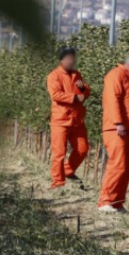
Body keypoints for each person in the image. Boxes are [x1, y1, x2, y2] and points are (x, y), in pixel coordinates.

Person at [97, 49, 129, 212]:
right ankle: (105, 201)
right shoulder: (116, 75)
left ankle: (117, 202)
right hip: (116, 129)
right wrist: (118, 122)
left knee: (126, 166)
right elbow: (113, 100)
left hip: (127, 129)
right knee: (117, 164)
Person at [47, 48, 91, 189]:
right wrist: (74, 98)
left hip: (77, 120)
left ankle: (67, 170)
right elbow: (55, 94)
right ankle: (58, 183)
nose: (72, 61)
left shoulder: (77, 75)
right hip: (61, 120)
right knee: (59, 153)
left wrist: (83, 89)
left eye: (73, 58)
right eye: (69, 58)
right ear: (62, 60)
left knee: (83, 149)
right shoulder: (54, 76)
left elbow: (86, 91)